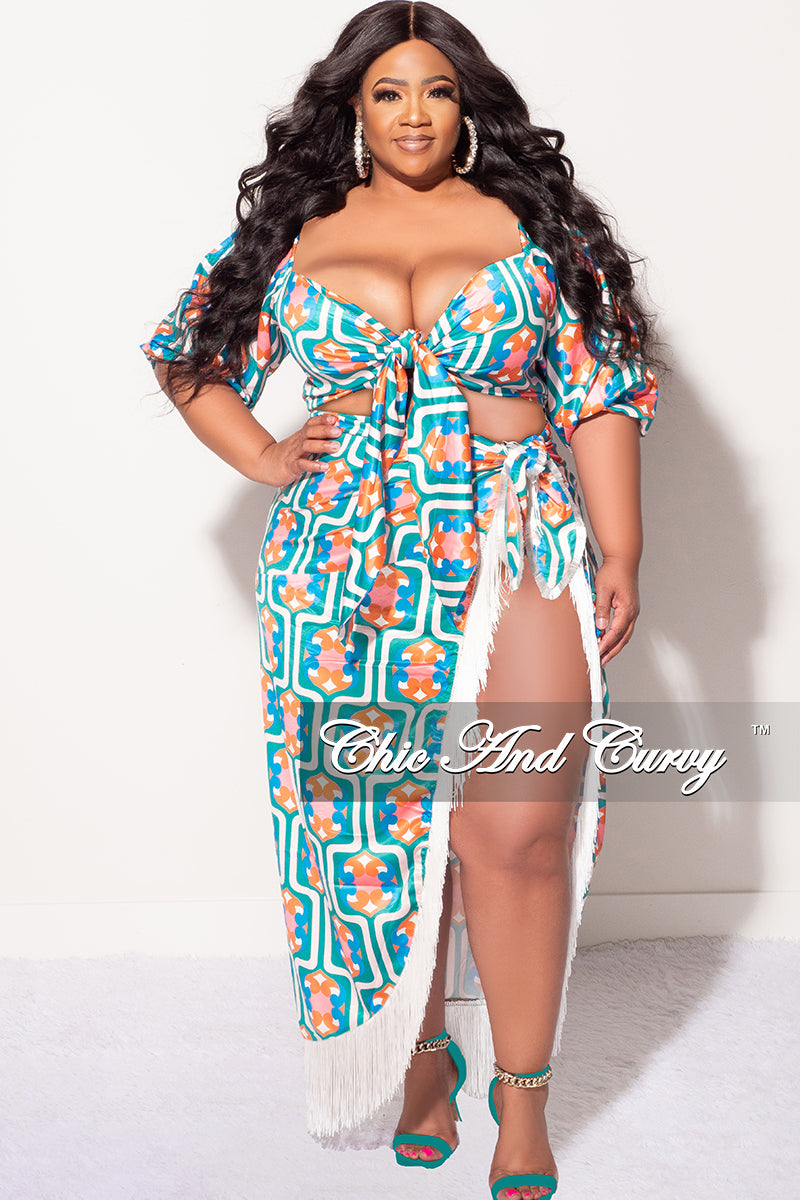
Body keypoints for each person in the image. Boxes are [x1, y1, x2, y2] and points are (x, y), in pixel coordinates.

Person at [141, 3, 658, 1196]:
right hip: (340, 562)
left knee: (516, 826)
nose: (413, 113)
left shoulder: (536, 223)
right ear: (353, 108)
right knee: (381, 826)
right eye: (387, 92)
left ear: (467, 105)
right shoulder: (295, 230)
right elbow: (187, 354)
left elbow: (602, 387)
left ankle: (522, 1099)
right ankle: (422, 1058)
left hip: (514, 531)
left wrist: (620, 544)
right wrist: (267, 457)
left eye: (436, 90)